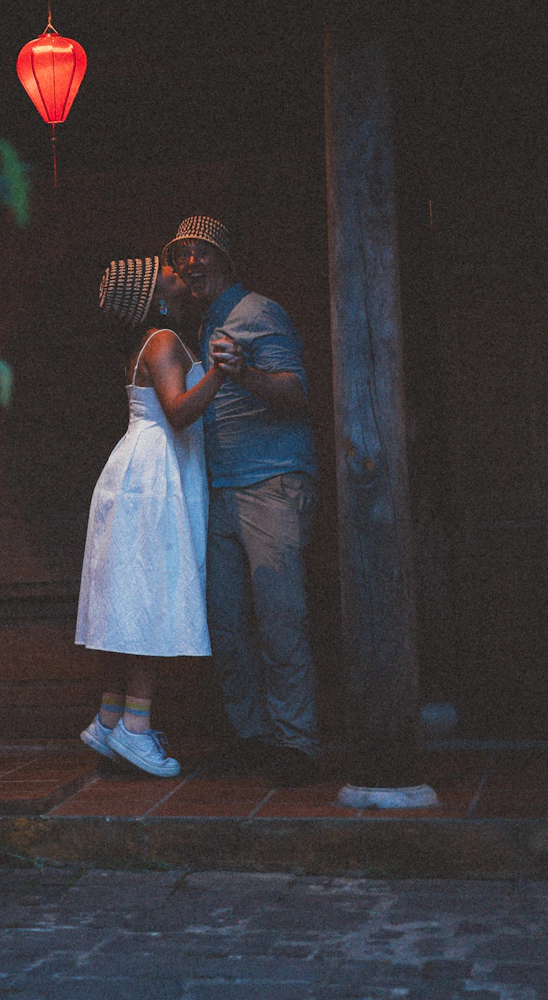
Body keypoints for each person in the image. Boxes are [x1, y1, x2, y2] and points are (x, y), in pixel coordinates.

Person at [165, 216, 323, 787]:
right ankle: (253, 737)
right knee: (227, 624)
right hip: (220, 491)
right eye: (182, 257)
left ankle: (297, 744)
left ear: (226, 259)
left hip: (273, 484)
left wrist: (244, 372)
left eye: (201, 252)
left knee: (281, 617)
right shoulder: (201, 324)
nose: (191, 263)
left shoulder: (258, 311)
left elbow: (296, 391)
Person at [76, 256, 227, 778]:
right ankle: (134, 730)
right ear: (155, 296)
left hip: (144, 470)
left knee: (132, 597)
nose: (174, 265)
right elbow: (180, 411)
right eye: (164, 268)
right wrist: (224, 371)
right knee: (151, 598)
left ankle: (110, 717)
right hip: (154, 472)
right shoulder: (162, 341)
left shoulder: (155, 339)